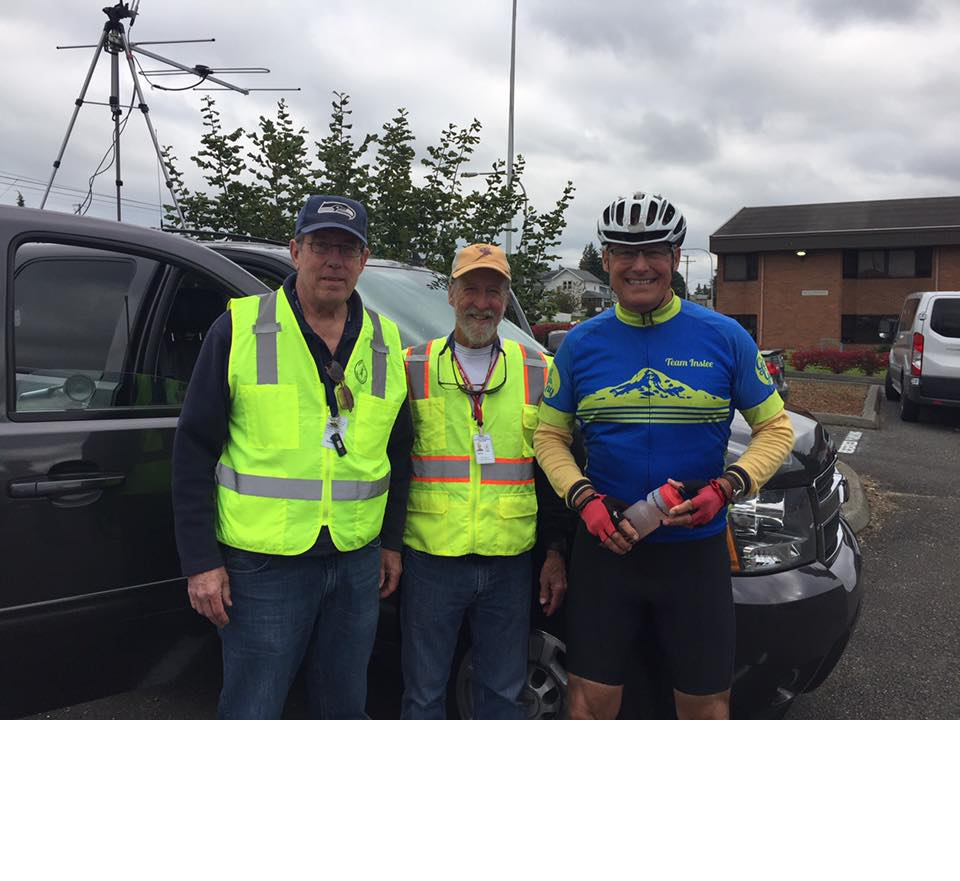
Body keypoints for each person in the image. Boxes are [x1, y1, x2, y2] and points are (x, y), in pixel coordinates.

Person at [534, 191, 796, 720]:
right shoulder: (580, 345)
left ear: (676, 257)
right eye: (624, 253)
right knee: (588, 704)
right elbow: (549, 436)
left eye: (654, 251)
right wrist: (582, 498)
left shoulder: (725, 337)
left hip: (694, 557)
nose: (640, 265)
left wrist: (729, 486)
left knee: (705, 708)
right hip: (607, 553)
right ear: (605, 260)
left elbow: (775, 428)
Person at [172, 194, 412, 719]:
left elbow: (398, 452)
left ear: (364, 260)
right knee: (253, 707)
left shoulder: (386, 341)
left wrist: (391, 543)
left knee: (345, 706)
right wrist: (201, 563)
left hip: (356, 558)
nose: (334, 261)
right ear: (295, 250)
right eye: (321, 246)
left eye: (347, 250)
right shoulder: (239, 328)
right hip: (263, 565)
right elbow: (193, 451)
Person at [400, 243, 567, 719]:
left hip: (509, 562)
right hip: (431, 558)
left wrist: (555, 550)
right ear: (451, 295)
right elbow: (388, 463)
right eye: (470, 289)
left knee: (502, 694)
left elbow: (553, 469)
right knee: (423, 694)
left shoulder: (540, 370)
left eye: (493, 292)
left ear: (506, 299)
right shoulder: (410, 367)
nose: (481, 302)